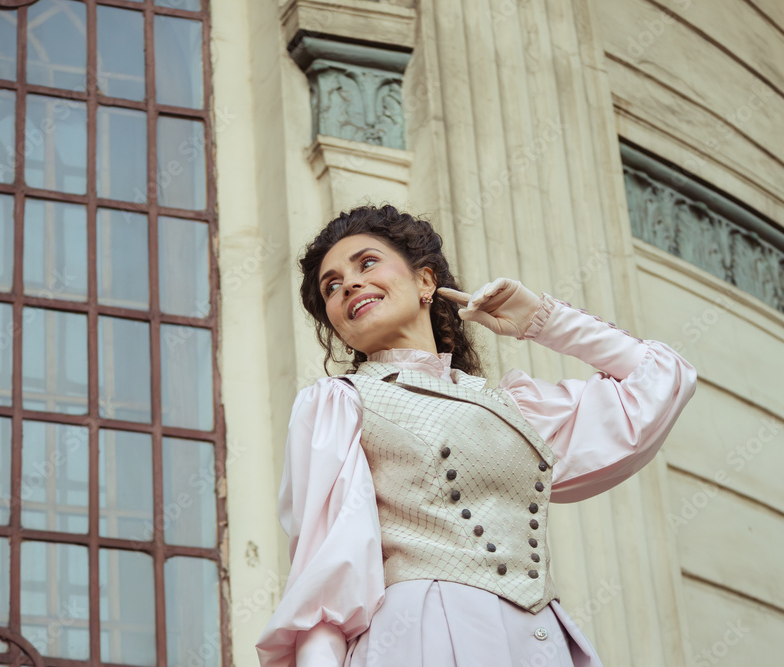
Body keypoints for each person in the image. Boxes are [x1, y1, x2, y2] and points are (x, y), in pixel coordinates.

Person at [255, 205, 697, 666]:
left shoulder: (512, 407)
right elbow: (325, 577)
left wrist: (537, 318)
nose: (348, 284)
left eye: (366, 263)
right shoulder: (339, 403)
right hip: (418, 638)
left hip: (536, 640)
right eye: (332, 285)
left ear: (426, 282)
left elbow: (663, 377)